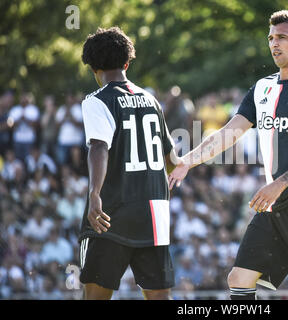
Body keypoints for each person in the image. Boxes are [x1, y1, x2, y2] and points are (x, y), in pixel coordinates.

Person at [169, 10, 288, 300]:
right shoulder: (262, 87)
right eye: (271, 38)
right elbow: (229, 132)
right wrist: (188, 160)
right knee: (240, 278)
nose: (274, 44)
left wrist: (280, 183)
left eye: (282, 38)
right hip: (274, 204)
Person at [78, 26, 178, 300]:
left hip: (111, 213)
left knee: (95, 295)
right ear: (127, 62)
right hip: (154, 213)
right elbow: (171, 160)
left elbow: (98, 146)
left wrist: (94, 193)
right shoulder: (151, 100)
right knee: (159, 296)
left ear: (93, 67)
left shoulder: (97, 100)